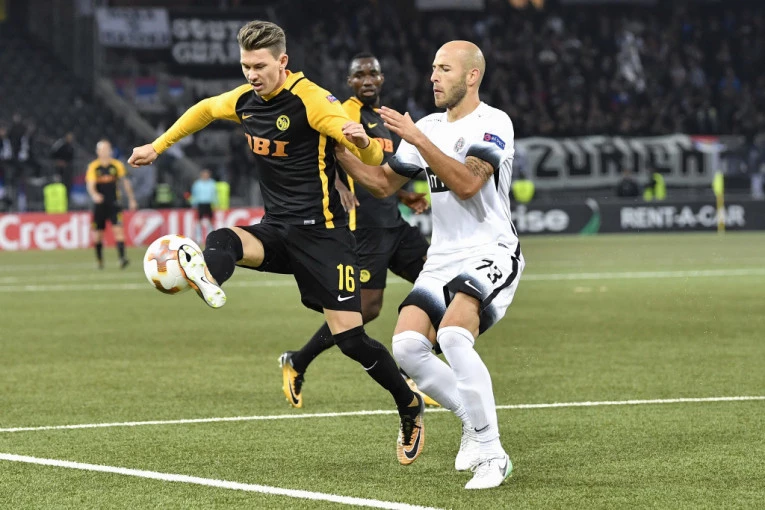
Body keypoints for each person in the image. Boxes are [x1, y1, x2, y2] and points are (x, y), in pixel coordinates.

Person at [127, 20, 425, 466]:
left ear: (282, 62)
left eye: (260, 66)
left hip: (324, 236)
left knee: (351, 340)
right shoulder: (245, 100)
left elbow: (369, 154)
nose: (252, 75)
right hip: (278, 229)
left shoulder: (313, 101)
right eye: (246, 66)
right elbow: (205, 109)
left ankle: (408, 405)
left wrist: (363, 143)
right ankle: (208, 275)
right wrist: (158, 145)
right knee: (223, 238)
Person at [333, 41, 524, 489]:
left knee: (454, 335)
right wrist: (338, 152)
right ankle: (472, 423)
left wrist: (419, 139)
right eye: (433, 68)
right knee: (406, 348)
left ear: (471, 76)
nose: (433, 77)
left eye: (444, 69)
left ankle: (493, 453)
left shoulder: (493, 122)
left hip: (491, 250)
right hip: (442, 257)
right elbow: (383, 184)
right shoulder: (429, 125)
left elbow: (469, 184)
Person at [278, 52, 438, 409]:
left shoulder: (381, 118)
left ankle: (417, 370)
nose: (367, 79)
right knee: (366, 308)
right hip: (364, 226)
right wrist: (338, 184)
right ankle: (297, 361)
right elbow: (326, 149)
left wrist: (405, 195)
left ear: (381, 78)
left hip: (394, 223)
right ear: (350, 81)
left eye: (372, 73)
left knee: (438, 283)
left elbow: (380, 171)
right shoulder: (345, 111)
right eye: (359, 75)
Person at [85, 139, 138, 269]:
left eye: (107, 149)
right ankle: (100, 260)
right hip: (100, 205)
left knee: (119, 231)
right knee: (98, 235)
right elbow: (90, 184)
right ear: (98, 152)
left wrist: (131, 199)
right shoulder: (93, 167)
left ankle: (122, 258)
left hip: (114, 203)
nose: (105, 152)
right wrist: (94, 195)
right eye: (103, 149)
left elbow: (125, 182)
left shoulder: (117, 165)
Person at [189, 168, 218, 243]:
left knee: (210, 220)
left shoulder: (212, 183)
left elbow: (214, 193)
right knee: (199, 220)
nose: (205, 176)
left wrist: (215, 203)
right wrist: (194, 204)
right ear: (201, 175)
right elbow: (194, 194)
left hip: (209, 203)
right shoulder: (197, 184)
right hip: (200, 203)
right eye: (204, 174)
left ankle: (211, 237)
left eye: (207, 174)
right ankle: (198, 238)